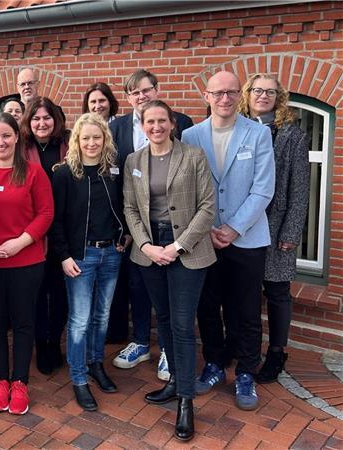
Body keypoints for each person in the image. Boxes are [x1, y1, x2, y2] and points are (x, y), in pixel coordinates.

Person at [123, 100, 216, 441]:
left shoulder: (193, 156)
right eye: (150, 121)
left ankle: (186, 402)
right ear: (143, 124)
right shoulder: (134, 160)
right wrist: (146, 246)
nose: (157, 126)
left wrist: (177, 246)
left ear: (172, 123)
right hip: (149, 248)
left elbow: (207, 207)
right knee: (162, 318)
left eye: (162, 120)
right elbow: (130, 208)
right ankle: (175, 382)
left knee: (181, 324)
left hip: (185, 249)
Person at [182, 71, 275, 411]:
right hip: (204, 238)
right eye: (218, 93)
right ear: (206, 96)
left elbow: (264, 188)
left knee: (247, 310)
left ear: (240, 95)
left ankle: (247, 372)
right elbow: (187, 186)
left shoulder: (258, 134)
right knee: (208, 305)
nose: (225, 99)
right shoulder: (190, 135)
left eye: (232, 93)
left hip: (247, 238)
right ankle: (215, 364)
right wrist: (204, 229)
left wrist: (233, 228)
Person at [109, 69, 194, 380]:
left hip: (174, 225)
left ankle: (168, 351)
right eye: (134, 93)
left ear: (157, 90)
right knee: (139, 286)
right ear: (128, 98)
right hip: (133, 224)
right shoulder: (116, 127)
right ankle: (141, 341)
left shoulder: (181, 122)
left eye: (146, 90)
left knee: (171, 291)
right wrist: (129, 230)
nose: (141, 96)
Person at [0, 113, 54, 415]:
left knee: (23, 322)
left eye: (6, 135)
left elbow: (45, 214)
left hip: (26, 260)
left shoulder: (33, 172)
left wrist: (20, 242)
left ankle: (20, 382)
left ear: (17, 137)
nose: (1, 142)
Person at [49, 113, 127, 412]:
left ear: (105, 139)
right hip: (80, 256)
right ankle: (79, 378)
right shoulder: (65, 174)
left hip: (111, 253)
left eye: (97, 137)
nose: (92, 143)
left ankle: (96, 364)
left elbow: (124, 207)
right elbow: (55, 221)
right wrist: (64, 256)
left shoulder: (113, 171)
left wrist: (126, 236)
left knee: (102, 316)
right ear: (76, 142)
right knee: (79, 321)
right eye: (86, 138)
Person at [238, 73, 310, 383]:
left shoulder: (291, 135)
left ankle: (277, 353)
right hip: (241, 226)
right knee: (244, 293)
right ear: (248, 94)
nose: (263, 96)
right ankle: (240, 346)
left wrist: (291, 232)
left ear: (278, 98)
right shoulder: (237, 127)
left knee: (278, 292)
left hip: (277, 226)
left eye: (270, 92)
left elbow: (300, 189)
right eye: (257, 90)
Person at [20, 96, 68, 375]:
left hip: (63, 231)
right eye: (36, 118)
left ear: (55, 119)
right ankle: (41, 343)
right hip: (33, 231)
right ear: (29, 121)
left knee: (61, 293)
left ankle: (54, 340)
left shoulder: (67, 146)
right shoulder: (22, 148)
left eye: (46, 117)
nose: (41, 123)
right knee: (37, 294)